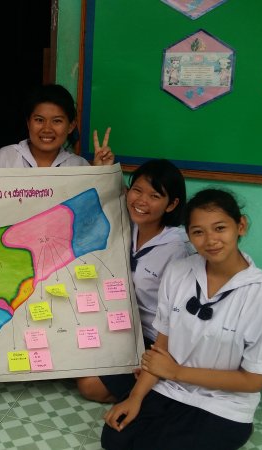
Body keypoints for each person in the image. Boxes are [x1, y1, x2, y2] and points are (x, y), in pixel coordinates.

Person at [101, 188, 262, 450]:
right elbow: (161, 349)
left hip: (223, 405)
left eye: (220, 228)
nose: (210, 240)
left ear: (241, 226)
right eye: (198, 232)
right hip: (170, 388)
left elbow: (253, 381)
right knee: (115, 438)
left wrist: (177, 372)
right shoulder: (179, 272)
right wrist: (135, 397)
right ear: (189, 235)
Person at [77, 159, 191, 403]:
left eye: (154, 196)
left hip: (151, 337)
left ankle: (155, 388)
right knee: (69, 358)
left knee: (90, 386)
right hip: (117, 324)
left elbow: (177, 318)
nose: (141, 201)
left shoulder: (178, 250)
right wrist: (100, 169)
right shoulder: (127, 224)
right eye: (137, 190)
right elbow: (93, 206)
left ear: (171, 204)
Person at [0, 83, 113, 168]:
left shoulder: (78, 165)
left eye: (57, 121)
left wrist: (101, 173)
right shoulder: (6, 158)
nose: (47, 129)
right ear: (28, 123)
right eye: (39, 120)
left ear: (71, 126)